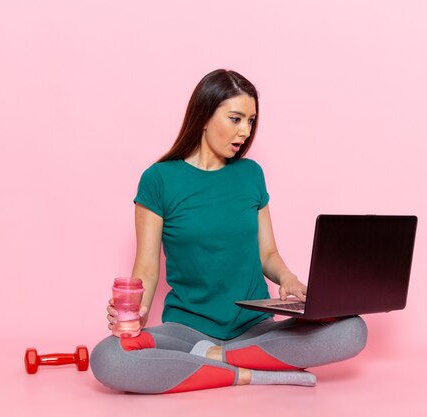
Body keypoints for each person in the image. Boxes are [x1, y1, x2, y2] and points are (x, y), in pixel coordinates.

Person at [90, 69, 367, 394]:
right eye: (236, 119)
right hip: (186, 332)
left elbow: (267, 254)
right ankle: (251, 372)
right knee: (108, 357)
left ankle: (217, 359)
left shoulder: (251, 175)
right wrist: (137, 314)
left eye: (250, 121)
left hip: (255, 328)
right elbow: (148, 269)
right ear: (204, 116)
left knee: (353, 330)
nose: (245, 132)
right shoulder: (159, 179)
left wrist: (289, 280)